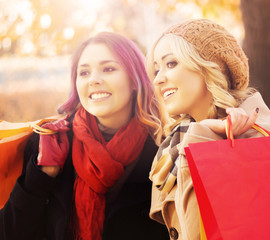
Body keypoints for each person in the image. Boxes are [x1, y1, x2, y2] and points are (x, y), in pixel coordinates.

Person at [0, 32, 169, 240]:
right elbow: (10, 233)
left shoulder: (163, 148)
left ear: (135, 80)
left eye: (108, 69)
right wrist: (40, 178)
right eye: (84, 73)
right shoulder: (50, 141)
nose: (94, 80)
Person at [146, 19, 270, 239]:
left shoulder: (256, 138)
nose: (158, 79)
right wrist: (201, 132)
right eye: (156, 69)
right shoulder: (174, 143)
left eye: (171, 63)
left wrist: (200, 137)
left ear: (211, 66)